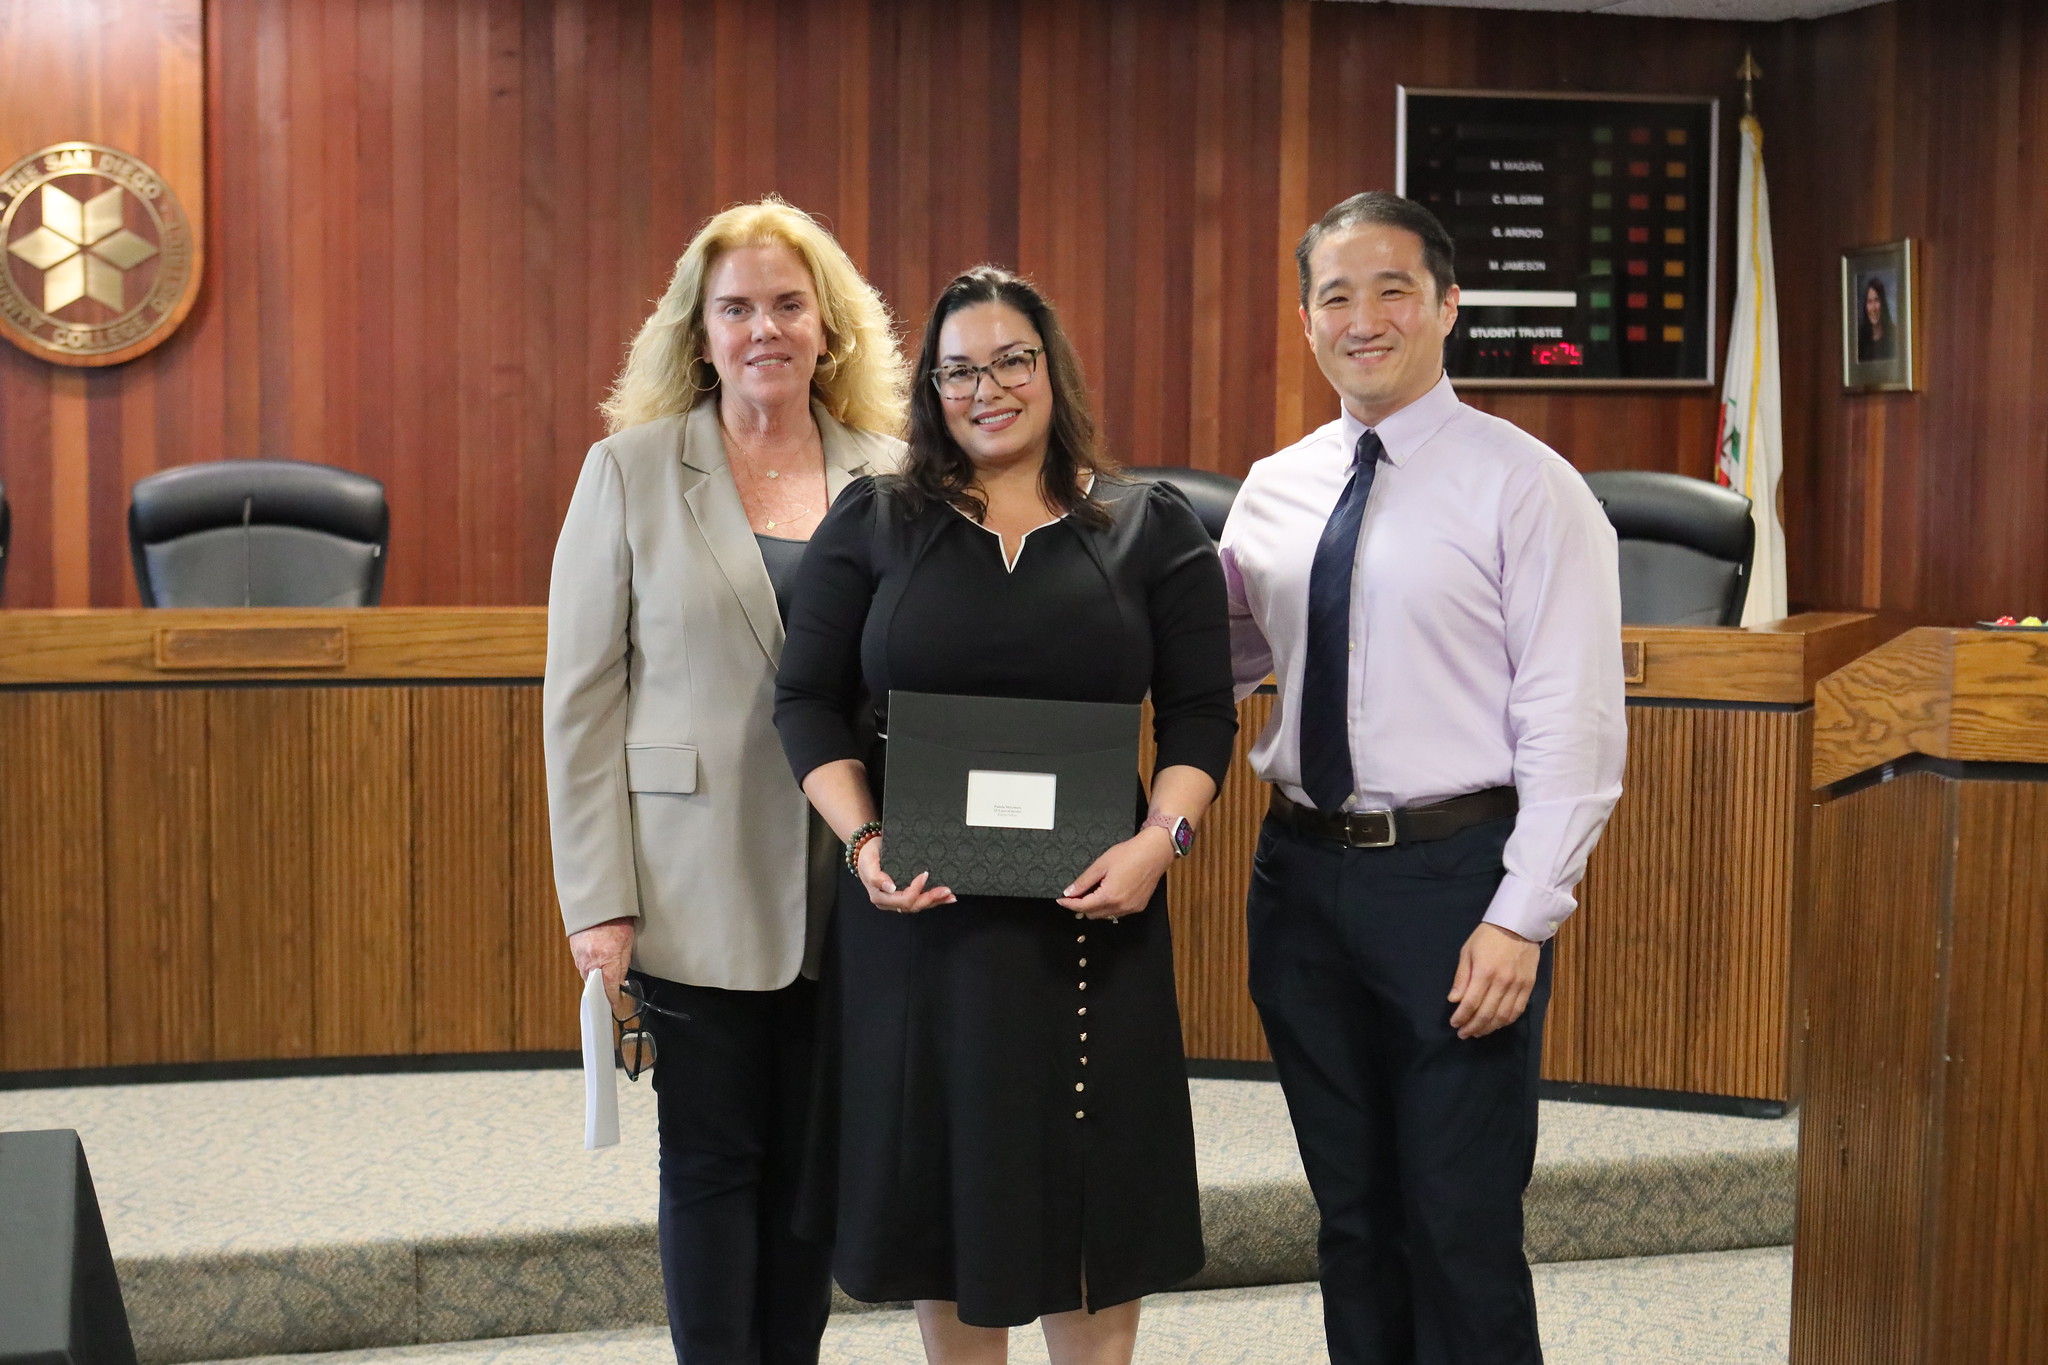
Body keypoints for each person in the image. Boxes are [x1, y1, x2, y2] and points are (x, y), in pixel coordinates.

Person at [773, 266, 1237, 1365]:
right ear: (930, 390)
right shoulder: (877, 520)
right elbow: (803, 700)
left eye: (1010, 361)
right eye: (957, 371)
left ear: (1050, 369)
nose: (987, 389)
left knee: (1091, 1204)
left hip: (1095, 921)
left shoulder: (1146, 527)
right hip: (926, 921)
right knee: (953, 1205)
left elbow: (1200, 715)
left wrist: (1158, 844)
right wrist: (864, 840)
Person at [1219, 191, 1625, 1365]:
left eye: (1391, 288)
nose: (1362, 317)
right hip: (1297, 880)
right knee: (1349, 1220)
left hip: (1455, 885)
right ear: (1304, 321)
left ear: (1447, 304)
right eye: (1334, 295)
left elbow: (1574, 726)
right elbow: (1234, 663)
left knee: (1458, 1225)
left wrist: (1520, 915)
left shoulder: (1525, 485)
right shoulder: (1274, 487)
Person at [543, 196, 905, 1365]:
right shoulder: (631, 470)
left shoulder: (894, 476)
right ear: (697, 333)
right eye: (736, 307)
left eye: (788, 305)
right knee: (709, 1159)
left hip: (853, 871)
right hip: (689, 879)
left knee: (812, 1166)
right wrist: (595, 898)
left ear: (828, 326)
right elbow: (580, 701)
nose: (764, 328)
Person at [1856, 276, 1896, 362]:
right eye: (1869, 302)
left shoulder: (1895, 336)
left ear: (1883, 303)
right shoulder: (1860, 343)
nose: (1873, 308)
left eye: (1876, 300)